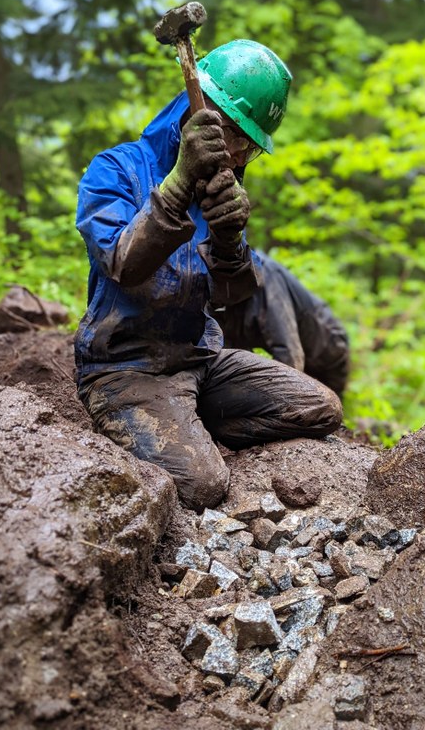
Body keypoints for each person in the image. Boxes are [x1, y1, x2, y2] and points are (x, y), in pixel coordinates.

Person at [74, 39, 343, 512]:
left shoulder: (217, 190)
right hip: (125, 371)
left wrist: (229, 238)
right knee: (203, 485)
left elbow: (233, 295)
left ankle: (190, 422)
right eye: (236, 136)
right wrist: (178, 185)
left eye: (249, 147)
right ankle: (155, 427)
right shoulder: (115, 169)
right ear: (202, 111)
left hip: (200, 361)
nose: (238, 157)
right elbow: (122, 264)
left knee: (320, 408)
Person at [215, 251, 350, 398]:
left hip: (325, 351)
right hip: (306, 352)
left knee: (324, 410)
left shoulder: (266, 278)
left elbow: (290, 355)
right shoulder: (217, 287)